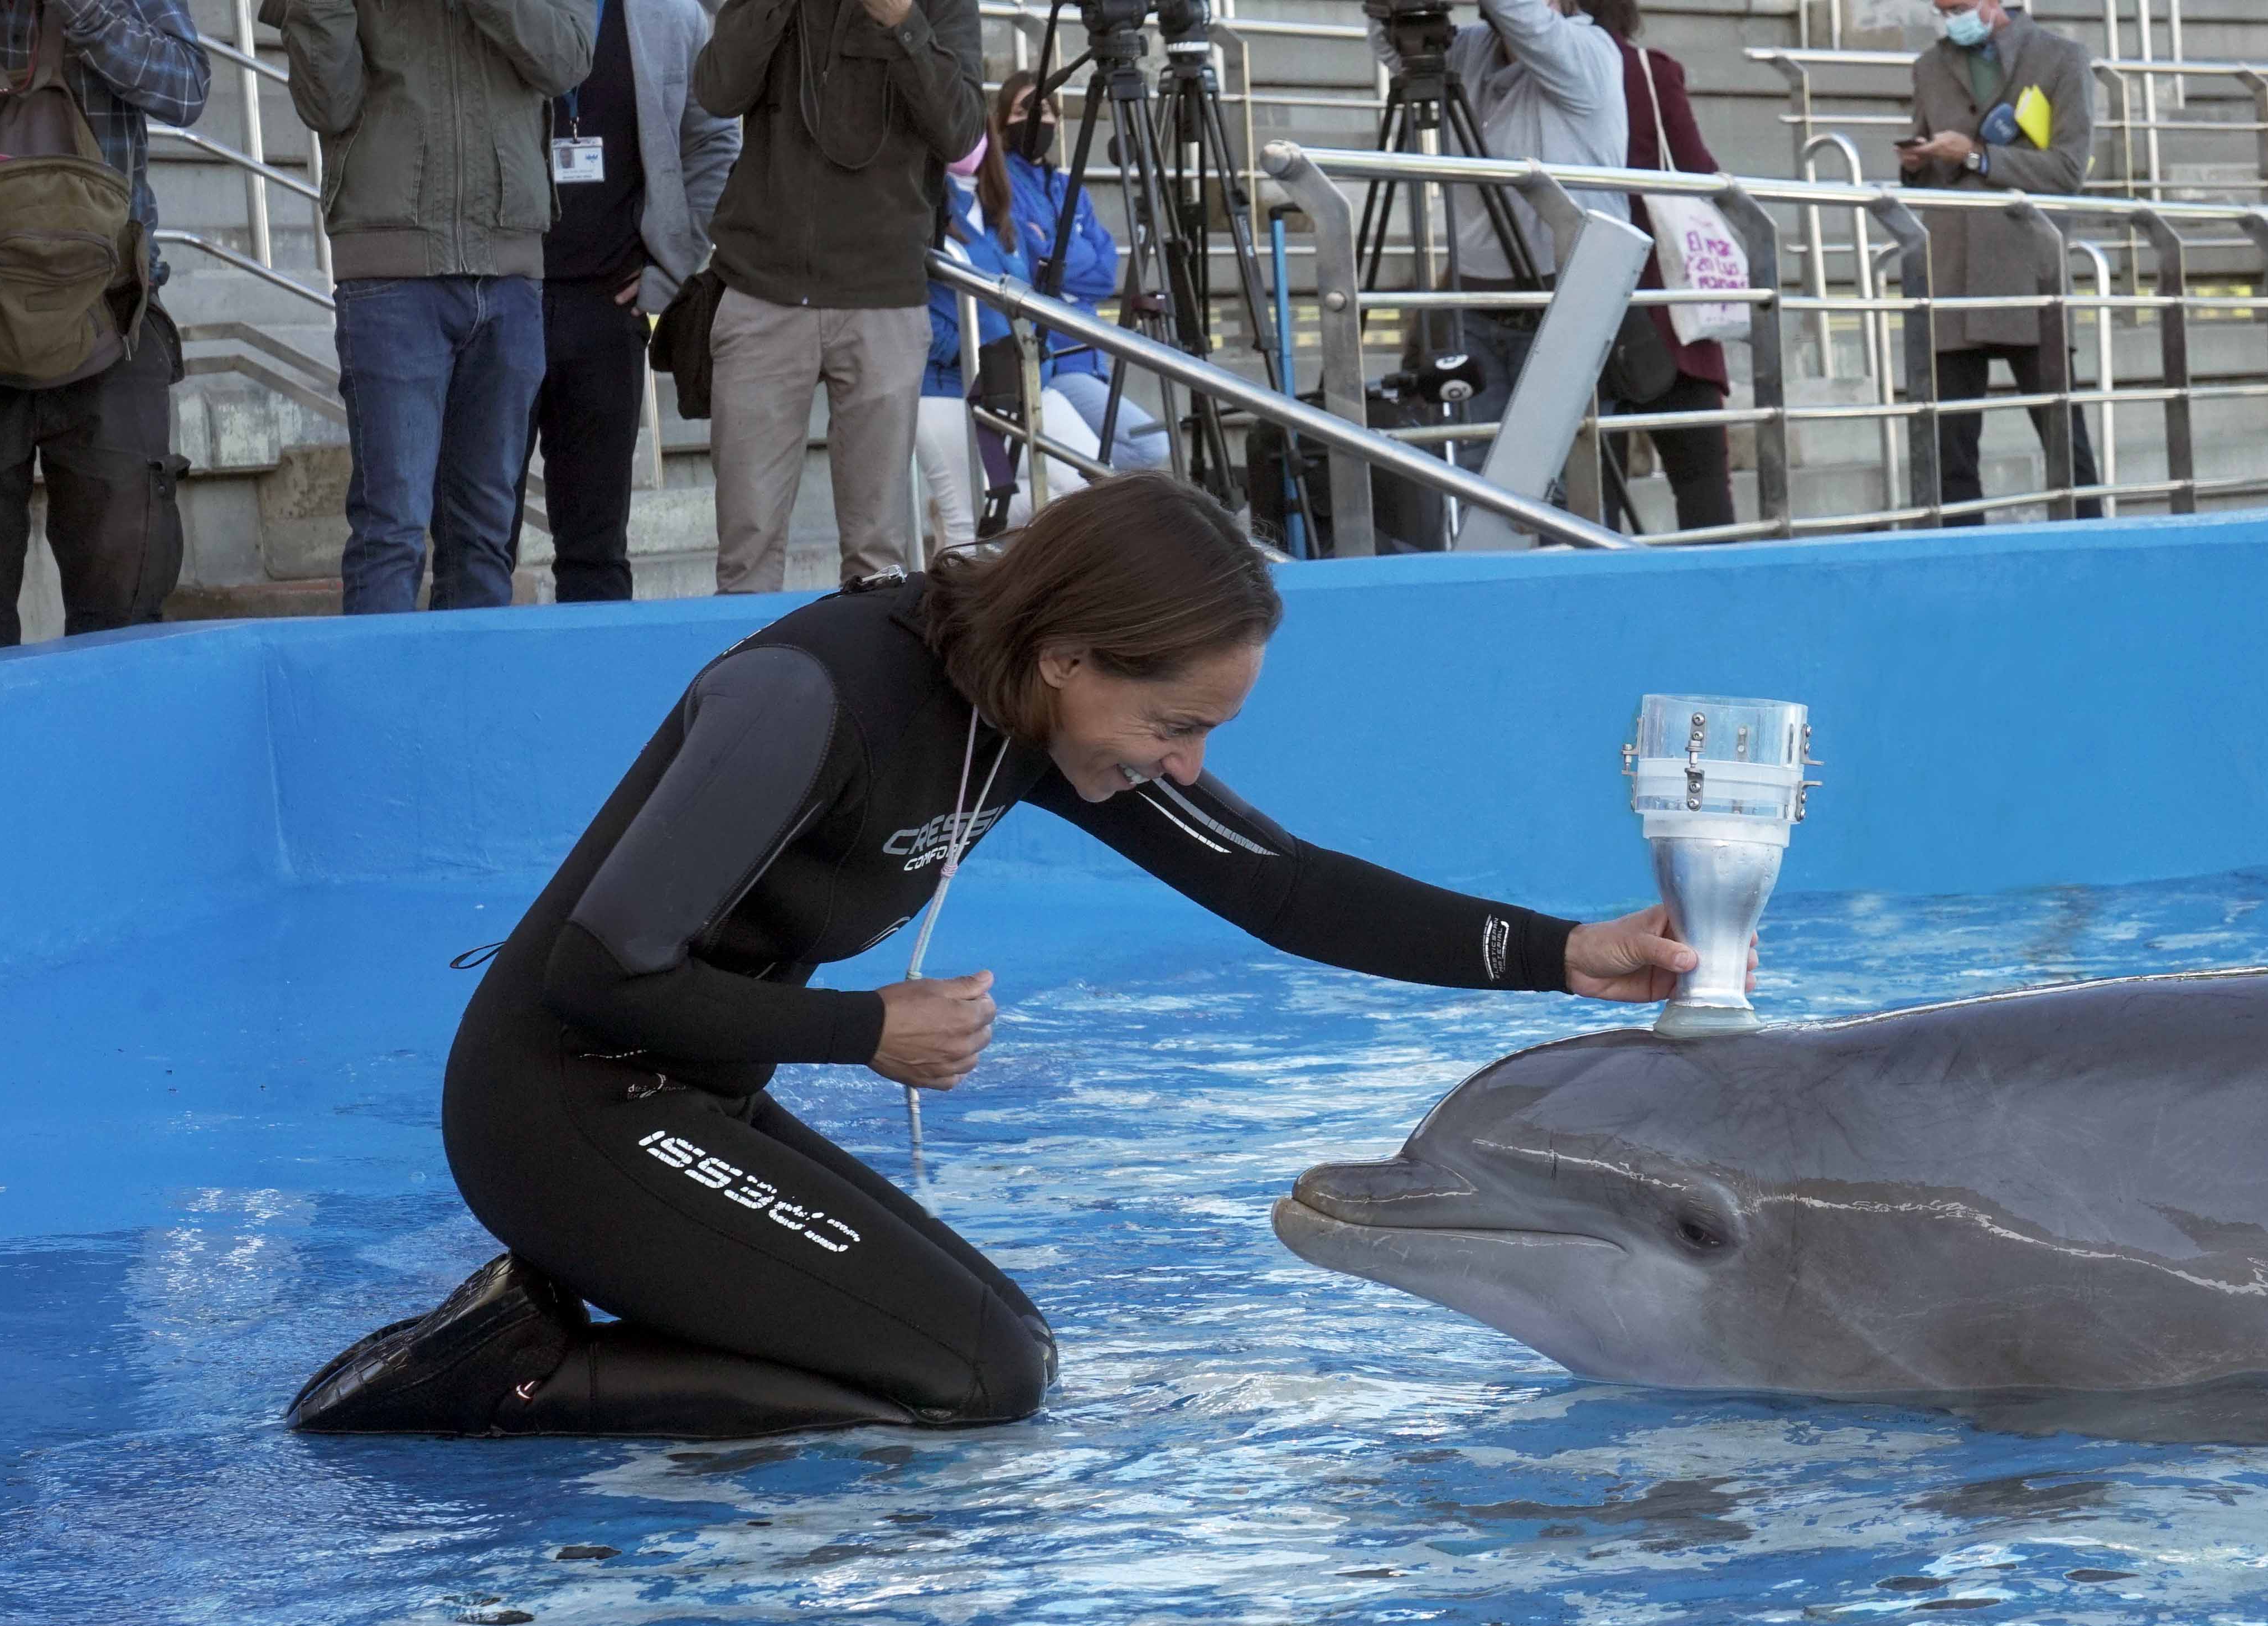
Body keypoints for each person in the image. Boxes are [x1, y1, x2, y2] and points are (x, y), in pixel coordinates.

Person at [284, 475, 1716, 1439]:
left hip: (684, 1101)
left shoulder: (1023, 721)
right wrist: (868, 1031)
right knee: (976, 1374)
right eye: (1174, 726)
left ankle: (549, 1328)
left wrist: (1566, 951)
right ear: (1072, 656)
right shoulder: (811, 693)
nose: (1185, 763)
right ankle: (510, 1372)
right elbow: (590, 977)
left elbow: (1283, 889)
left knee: (994, 1345)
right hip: (565, 1105)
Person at [265, 0, 596, 612]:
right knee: (391, 529)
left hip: (509, 262)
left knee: (485, 537)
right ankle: (379, 708)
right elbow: (326, 104)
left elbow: (568, 60)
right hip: (390, 265)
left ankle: (470, 708)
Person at [692, 0, 981, 593]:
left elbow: (961, 129)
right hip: (762, 285)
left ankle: (869, 683)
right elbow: (717, 92)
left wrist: (904, 23)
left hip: (884, 294)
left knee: (880, 556)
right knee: (747, 546)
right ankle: (746, 683)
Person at [0, 0, 206, 651]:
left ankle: (120, 751)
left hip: (111, 326)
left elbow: (188, 90)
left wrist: (91, 17)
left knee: (125, 618)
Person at [515, 0, 737, 603]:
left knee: (596, 550)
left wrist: (673, 268)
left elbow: (715, 143)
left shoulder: (672, 16)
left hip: (608, 311)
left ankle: (596, 696)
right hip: (503, 304)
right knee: (480, 538)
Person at [1366, 0, 1622, 469]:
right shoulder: (1472, 50)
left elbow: (1524, 18)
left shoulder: (1587, 50)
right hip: (1477, 300)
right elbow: (1393, 45)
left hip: (1562, 296)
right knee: (1480, 470)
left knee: (1558, 475)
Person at [1898, 0, 2100, 525]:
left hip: (2026, 271)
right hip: (1951, 271)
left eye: (1960, 7)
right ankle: (1959, 562)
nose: (1951, 19)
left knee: (2063, 439)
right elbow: (1930, 164)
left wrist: (1976, 156)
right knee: (1950, 448)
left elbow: (2068, 169)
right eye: (1942, 10)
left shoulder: (2061, 58)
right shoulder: (1929, 66)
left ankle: (2090, 555)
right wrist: (1917, 165)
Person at [1583, 0, 1731, 535]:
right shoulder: (1648, 72)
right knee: (1700, 479)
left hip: (1583, 295)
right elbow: (1696, 170)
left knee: (1593, 488)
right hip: (1666, 304)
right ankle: (1716, 596)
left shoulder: (1532, 76)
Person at [992, 72, 1164, 474]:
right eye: (1023, 111)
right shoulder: (1002, 185)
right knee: (1148, 446)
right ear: (1002, 122)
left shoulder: (1068, 186)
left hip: (1090, 356)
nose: (1038, 120)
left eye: (1046, 110)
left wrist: (1053, 249)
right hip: (1053, 361)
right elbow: (1033, 264)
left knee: (1111, 455)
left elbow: (1105, 273)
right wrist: (1065, 252)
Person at [918, 136, 1014, 553]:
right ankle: (952, 617)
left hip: (987, 386)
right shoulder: (923, 198)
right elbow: (911, 315)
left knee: (1003, 504)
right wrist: (967, 347)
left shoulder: (986, 210)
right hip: (935, 387)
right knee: (966, 521)